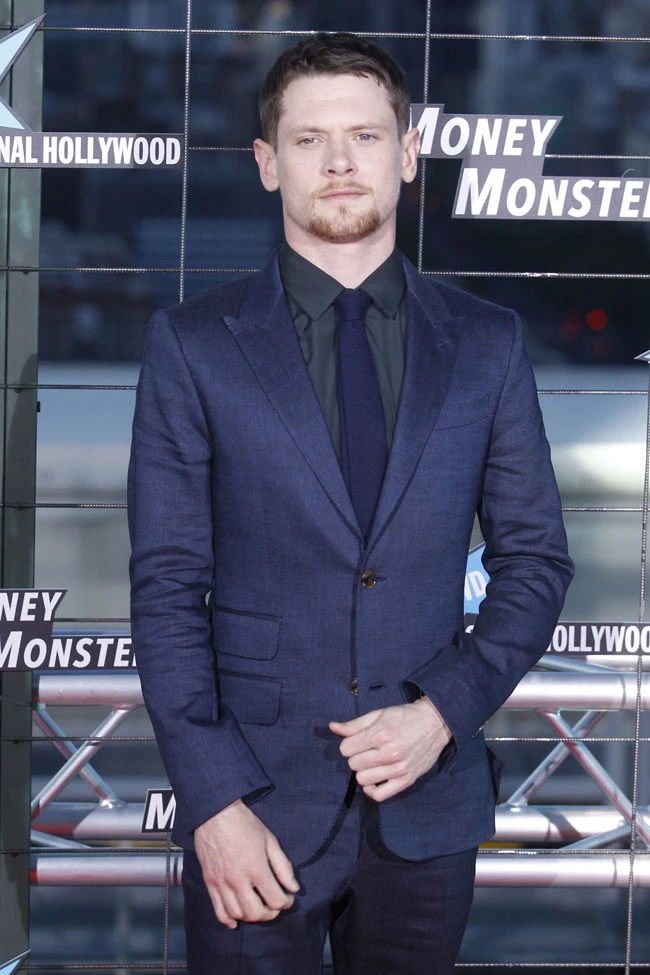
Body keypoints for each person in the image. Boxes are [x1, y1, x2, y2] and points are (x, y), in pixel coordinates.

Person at [128, 32, 574, 975]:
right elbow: (167, 592)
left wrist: (441, 711)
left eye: (366, 138)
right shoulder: (192, 345)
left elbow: (534, 564)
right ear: (266, 162)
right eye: (308, 140)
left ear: (408, 155)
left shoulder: (487, 345)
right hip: (252, 812)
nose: (338, 163)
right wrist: (211, 805)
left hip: (427, 808)